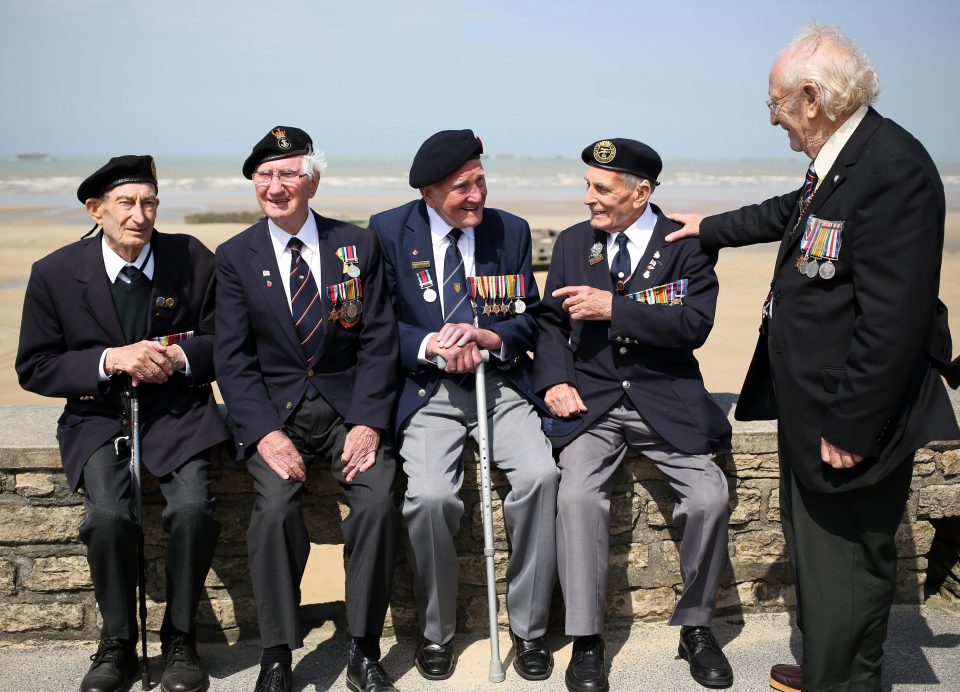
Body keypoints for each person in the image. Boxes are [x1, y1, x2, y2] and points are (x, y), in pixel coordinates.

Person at [666, 23, 960, 692]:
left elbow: (893, 322)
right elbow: (794, 214)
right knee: (823, 560)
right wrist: (711, 229)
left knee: (849, 563)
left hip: (849, 418)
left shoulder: (893, 170)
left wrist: (853, 427)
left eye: (774, 106)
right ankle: (833, 665)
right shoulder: (846, 158)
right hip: (817, 407)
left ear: (810, 97)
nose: (774, 121)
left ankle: (843, 679)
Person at [16, 155, 229, 692]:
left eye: (150, 202)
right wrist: (111, 359)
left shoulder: (192, 257)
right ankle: (117, 643)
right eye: (127, 203)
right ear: (97, 209)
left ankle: (181, 638)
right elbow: (35, 367)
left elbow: (224, 340)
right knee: (108, 518)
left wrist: (179, 359)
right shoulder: (55, 273)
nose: (141, 214)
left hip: (180, 413)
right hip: (98, 415)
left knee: (193, 509)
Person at [534, 139, 735, 691]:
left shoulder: (685, 246)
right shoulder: (576, 244)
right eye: (587, 186)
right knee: (575, 496)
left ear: (641, 192)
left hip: (664, 398)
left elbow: (695, 324)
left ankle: (695, 627)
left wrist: (615, 309)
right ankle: (586, 639)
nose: (588, 199)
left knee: (710, 496)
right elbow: (551, 322)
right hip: (593, 402)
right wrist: (554, 379)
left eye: (601, 188)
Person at [368, 129, 560, 683]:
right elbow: (379, 325)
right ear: (429, 193)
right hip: (428, 392)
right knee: (429, 498)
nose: (476, 196)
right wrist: (431, 345)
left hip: (497, 384)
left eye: (480, 181)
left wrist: (492, 338)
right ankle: (436, 631)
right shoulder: (386, 231)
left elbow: (528, 315)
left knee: (542, 476)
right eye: (461, 188)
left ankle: (528, 630)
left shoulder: (511, 230)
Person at [214, 126, 401, 692]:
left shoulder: (356, 245)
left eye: (288, 173)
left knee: (376, 505)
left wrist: (368, 422)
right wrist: (266, 435)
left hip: (349, 408)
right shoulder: (235, 257)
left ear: (312, 181)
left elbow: (378, 341)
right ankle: (276, 650)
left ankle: (363, 648)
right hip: (276, 413)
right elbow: (233, 359)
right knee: (272, 512)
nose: (275, 186)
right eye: (265, 176)